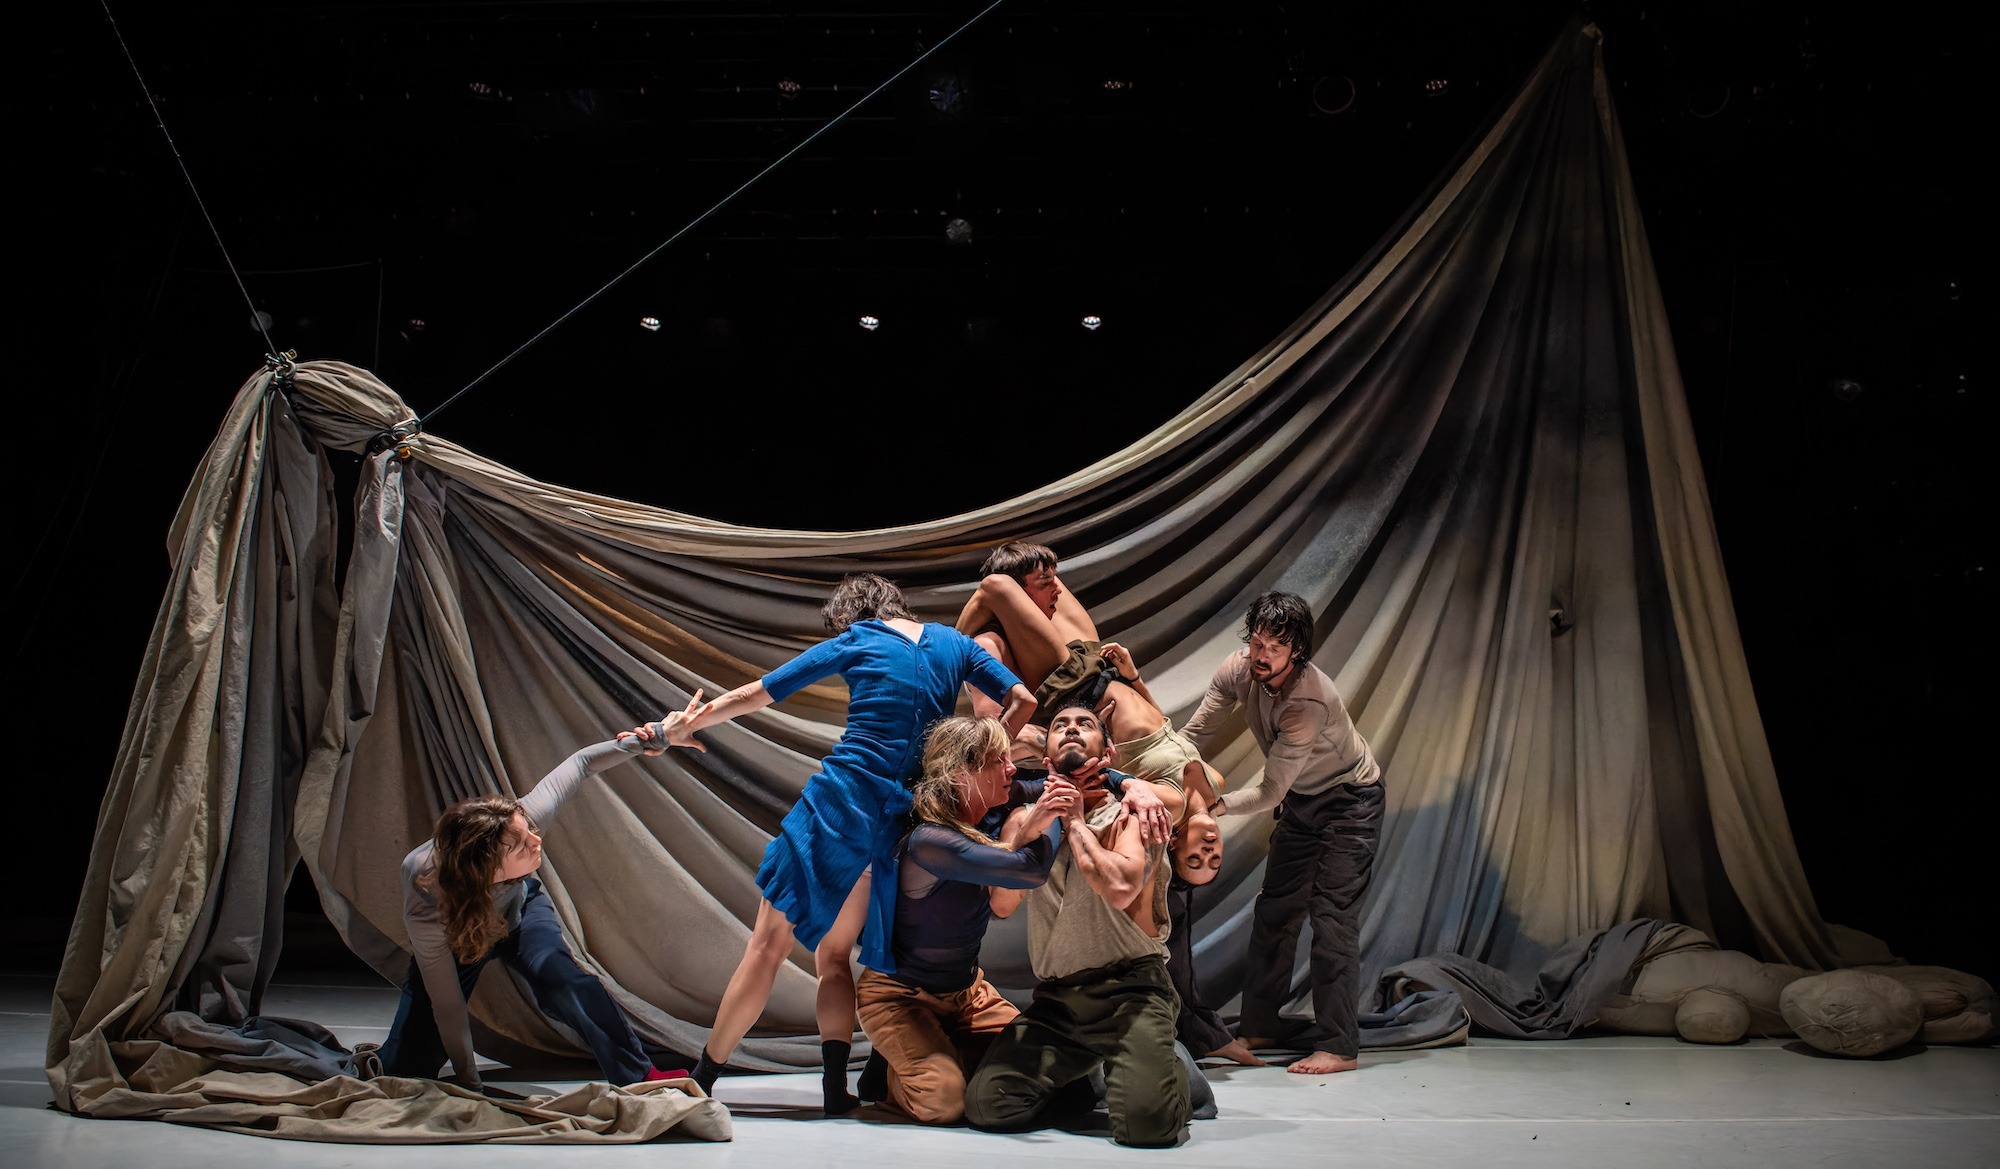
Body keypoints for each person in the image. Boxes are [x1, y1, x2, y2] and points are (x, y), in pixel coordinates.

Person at [664, 573, 1036, 1112]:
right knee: (836, 958)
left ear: (854, 614)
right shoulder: (954, 644)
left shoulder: (858, 639)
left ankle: (703, 1077)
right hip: (893, 827)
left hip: (837, 809)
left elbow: (758, 693)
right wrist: (982, 753)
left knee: (767, 946)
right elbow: (1022, 699)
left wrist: (686, 725)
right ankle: (833, 1089)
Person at [383, 708, 696, 1092]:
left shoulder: (521, 821)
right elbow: (446, 1004)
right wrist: (469, 1080)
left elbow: (580, 764)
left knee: (565, 980)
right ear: (489, 868)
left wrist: (652, 738)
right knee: (403, 1069)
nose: (537, 840)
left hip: (520, 912)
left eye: (530, 829)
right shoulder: (425, 891)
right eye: (523, 845)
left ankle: (639, 1076)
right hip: (457, 935)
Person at [964, 702, 1192, 1148]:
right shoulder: (1022, 821)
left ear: (1107, 755)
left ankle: (1173, 1072)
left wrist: (1074, 821)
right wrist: (1038, 821)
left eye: (1084, 724)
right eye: (1059, 725)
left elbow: (1121, 887)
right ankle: (1099, 1074)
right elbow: (1004, 904)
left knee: (1148, 1130)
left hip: (1130, 990)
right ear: (1046, 758)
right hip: (1058, 1002)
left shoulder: (1133, 813)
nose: (1070, 728)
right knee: (989, 1106)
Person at [1183, 590, 1384, 1075]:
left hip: (1349, 803)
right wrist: (1161, 770)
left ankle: (1339, 1047)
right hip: (1303, 802)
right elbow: (1194, 734)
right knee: (1275, 911)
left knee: (1332, 918)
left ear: (1297, 651)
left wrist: (1213, 804)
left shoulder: (1308, 700)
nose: (1261, 656)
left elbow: (1271, 790)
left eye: (1274, 648)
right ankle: (1262, 1025)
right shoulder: (1238, 668)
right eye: (1257, 643)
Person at [852, 716, 1078, 1123]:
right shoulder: (930, 841)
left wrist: (1124, 783)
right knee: (944, 1103)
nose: (1013, 768)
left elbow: (1061, 781)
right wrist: (1047, 820)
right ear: (962, 774)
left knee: (1052, 1068)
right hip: (899, 997)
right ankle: (892, 1077)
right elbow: (1028, 871)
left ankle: (938, 1056)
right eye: (999, 761)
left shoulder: (988, 807)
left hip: (968, 993)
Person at [954, 541, 1217, 812]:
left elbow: (994, 738)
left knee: (1008, 577)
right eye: (1046, 584)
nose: (1055, 588)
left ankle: (949, 648)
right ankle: (970, 634)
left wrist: (1075, 736)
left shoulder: (988, 645)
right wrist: (1132, 680)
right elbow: (1162, 724)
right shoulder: (1197, 793)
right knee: (1015, 573)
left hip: (1079, 683)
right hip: (1081, 681)